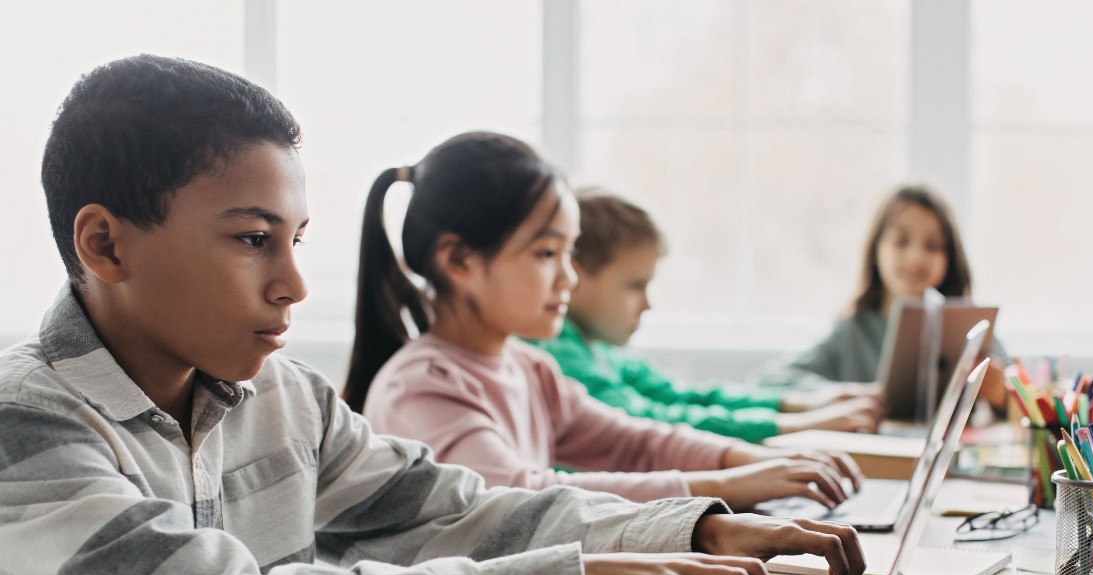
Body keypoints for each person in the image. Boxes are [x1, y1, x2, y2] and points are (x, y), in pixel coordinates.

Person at [1, 54, 867, 575]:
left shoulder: (284, 397)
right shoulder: (24, 426)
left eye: (295, 240)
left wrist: (686, 530)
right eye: (252, 238)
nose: (295, 285)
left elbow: (454, 509)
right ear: (105, 244)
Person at [347, 133, 865, 514]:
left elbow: (637, 443)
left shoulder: (529, 368)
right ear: (458, 261)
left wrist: (752, 461)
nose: (569, 277)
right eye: (547, 253)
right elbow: (525, 496)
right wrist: (731, 486)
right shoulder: (420, 387)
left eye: (569, 252)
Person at [533, 188, 882, 442]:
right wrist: (802, 423)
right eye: (635, 286)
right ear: (575, 275)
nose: (647, 304)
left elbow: (685, 396)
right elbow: (648, 422)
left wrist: (804, 404)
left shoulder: (601, 349)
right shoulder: (554, 351)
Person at [760, 184, 1007, 410]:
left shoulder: (970, 327)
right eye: (901, 242)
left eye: (933, 246)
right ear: (876, 248)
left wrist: (1000, 394)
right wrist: (839, 395)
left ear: (950, 258)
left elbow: (1022, 392)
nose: (916, 258)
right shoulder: (851, 331)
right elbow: (770, 380)